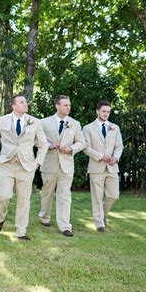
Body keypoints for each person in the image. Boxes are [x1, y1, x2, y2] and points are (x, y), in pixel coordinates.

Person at [0, 95, 47, 240]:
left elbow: (43, 144)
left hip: (27, 166)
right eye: (21, 102)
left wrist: (38, 162)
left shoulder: (35, 122)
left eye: (25, 102)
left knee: (24, 200)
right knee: (4, 196)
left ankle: (21, 231)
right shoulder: (1, 120)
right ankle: (0, 219)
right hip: (6, 165)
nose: (25, 104)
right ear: (13, 106)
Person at [38, 95, 86, 236]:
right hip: (49, 164)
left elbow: (82, 142)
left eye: (69, 105)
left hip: (66, 165)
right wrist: (49, 145)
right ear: (57, 106)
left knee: (64, 195)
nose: (68, 107)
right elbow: (37, 141)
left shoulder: (75, 123)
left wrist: (71, 148)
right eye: (65, 105)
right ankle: (44, 216)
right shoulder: (44, 122)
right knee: (47, 193)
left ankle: (65, 226)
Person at [83, 100, 123, 232]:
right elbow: (86, 148)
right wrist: (100, 156)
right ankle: (99, 223)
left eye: (108, 111)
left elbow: (119, 146)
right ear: (97, 111)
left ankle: (103, 215)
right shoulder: (88, 128)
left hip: (112, 167)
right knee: (97, 197)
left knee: (114, 195)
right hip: (96, 167)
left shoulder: (115, 127)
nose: (106, 114)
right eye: (104, 111)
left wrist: (115, 158)